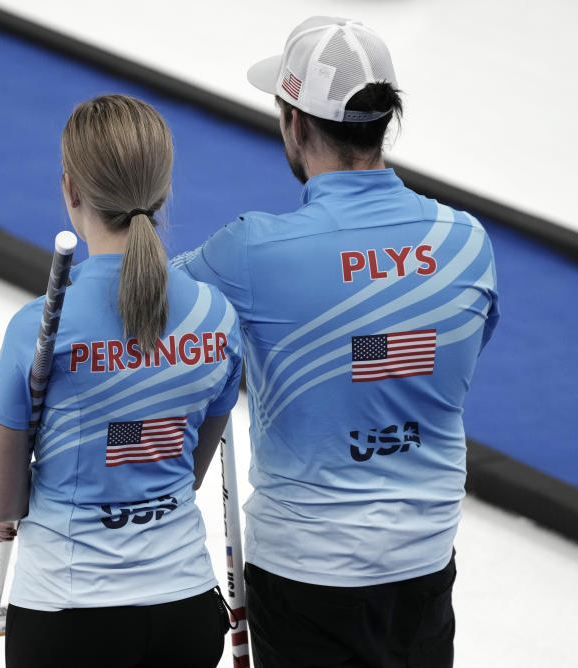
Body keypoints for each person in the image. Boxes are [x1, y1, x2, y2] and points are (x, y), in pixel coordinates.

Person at [172, 17, 500, 668]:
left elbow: (138, 302)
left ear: (294, 123)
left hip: (304, 575)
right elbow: (420, 359)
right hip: (425, 563)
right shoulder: (467, 242)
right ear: (385, 120)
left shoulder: (252, 251)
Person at [0, 94, 243, 668]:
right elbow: (189, 469)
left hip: (67, 616)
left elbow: (5, 502)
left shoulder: (38, 327)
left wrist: (5, 513)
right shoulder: (217, 318)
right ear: (163, 189)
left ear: (70, 190)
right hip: (185, 609)